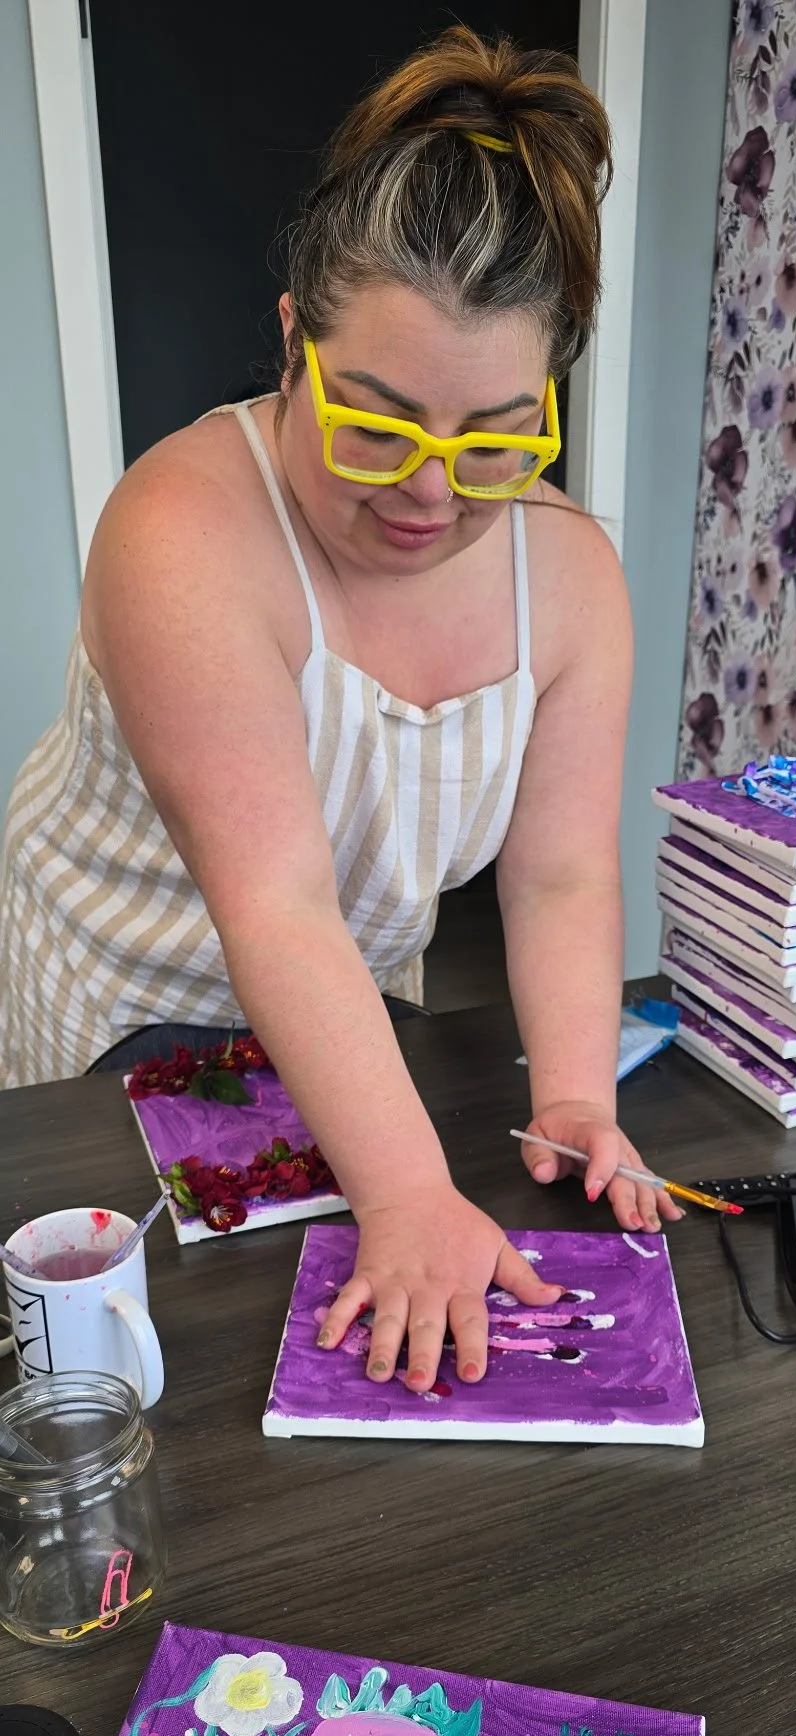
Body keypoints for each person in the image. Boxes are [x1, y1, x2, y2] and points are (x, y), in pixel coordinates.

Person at [0, 27, 681, 1390]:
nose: (431, 494)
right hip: (120, 1013)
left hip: (341, 1012)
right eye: (375, 428)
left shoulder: (571, 576)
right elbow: (279, 904)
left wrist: (570, 1097)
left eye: (494, 439)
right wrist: (408, 1195)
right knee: (161, 1371)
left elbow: (554, 879)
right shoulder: (181, 531)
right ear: (290, 343)